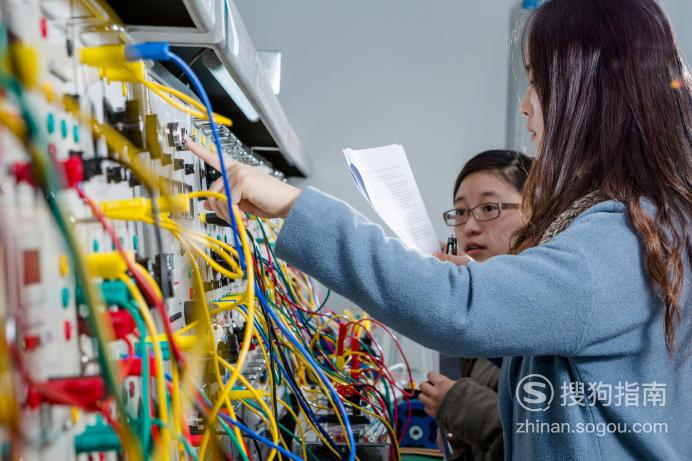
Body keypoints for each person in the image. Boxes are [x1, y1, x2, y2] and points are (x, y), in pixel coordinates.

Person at [188, 0, 692, 458]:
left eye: (538, 80)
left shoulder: (617, 240)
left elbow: (455, 308)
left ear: (589, 91)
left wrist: (294, 206)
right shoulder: (648, 223)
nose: (525, 105)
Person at [420, 150, 533, 461]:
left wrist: (460, 406)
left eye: (489, 208)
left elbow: (547, 439)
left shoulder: (546, 314)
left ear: (536, 210)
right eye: (460, 212)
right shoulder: (483, 308)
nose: (469, 226)